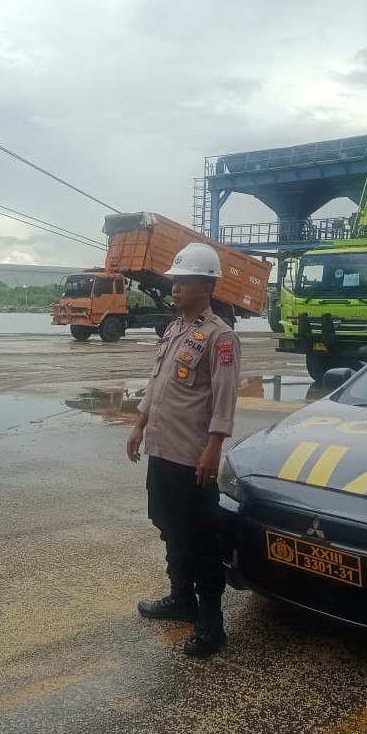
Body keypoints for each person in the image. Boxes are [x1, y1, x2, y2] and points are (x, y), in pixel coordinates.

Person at [127, 242, 241, 658]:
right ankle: (181, 599)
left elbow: (225, 399)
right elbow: (157, 383)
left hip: (192, 457)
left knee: (200, 538)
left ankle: (211, 623)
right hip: (162, 450)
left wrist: (214, 448)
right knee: (168, 525)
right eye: (174, 281)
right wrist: (139, 424)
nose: (174, 287)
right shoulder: (174, 330)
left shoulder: (219, 337)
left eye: (184, 281)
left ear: (207, 287)